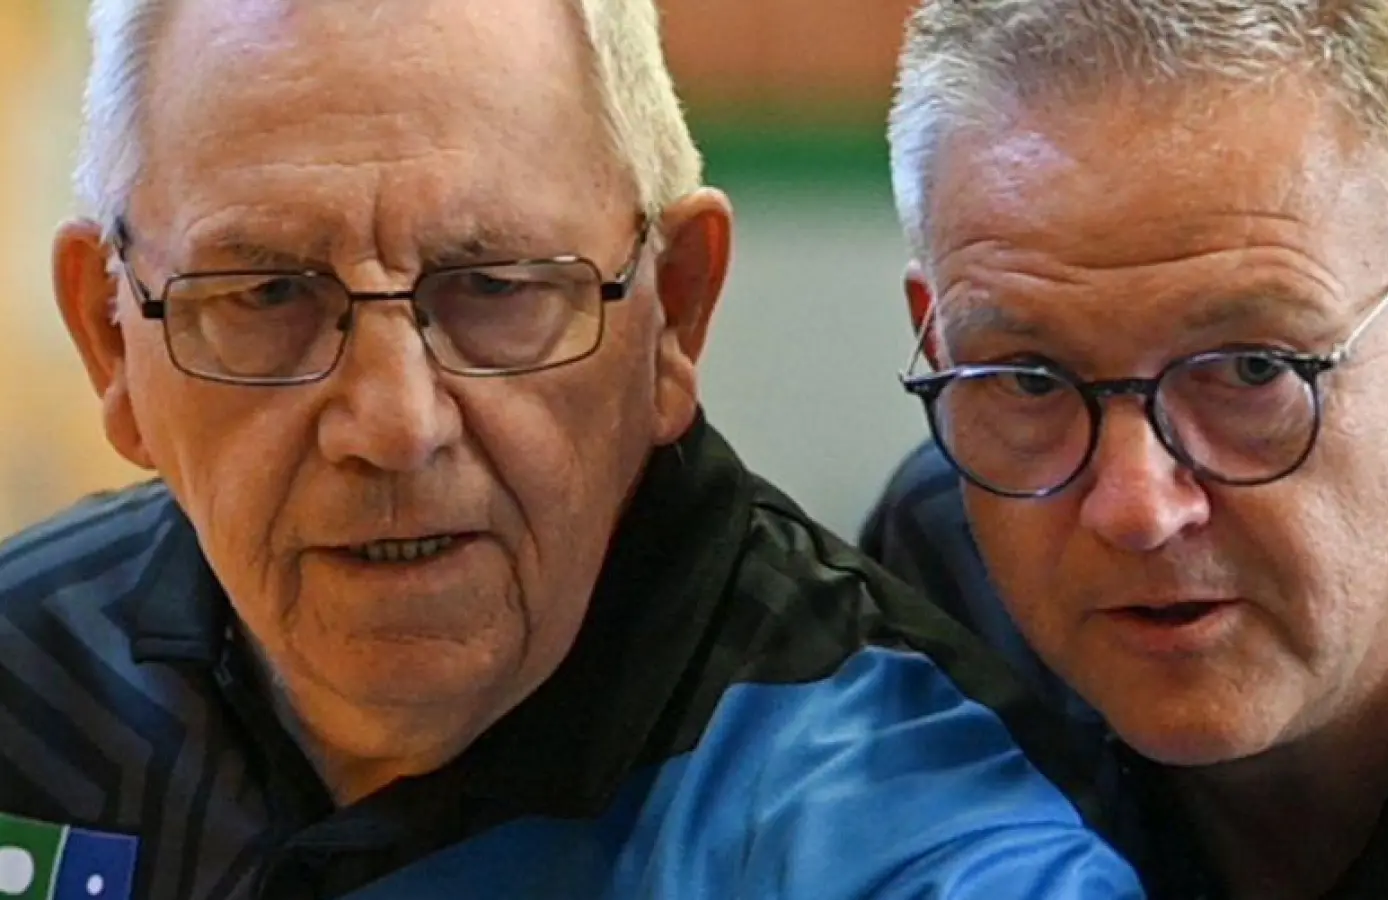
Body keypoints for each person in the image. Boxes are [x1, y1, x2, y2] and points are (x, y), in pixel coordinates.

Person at [0, 0, 1152, 897]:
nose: (395, 424)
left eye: (496, 288)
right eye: (263, 294)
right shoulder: (25, 683)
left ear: (676, 313)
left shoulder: (918, 834)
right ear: (112, 342)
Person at [862, 1, 1388, 897]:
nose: (1136, 507)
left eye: (1252, 369)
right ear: (940, 349)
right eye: (1027, 378)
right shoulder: (942, 577)